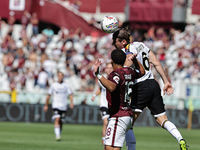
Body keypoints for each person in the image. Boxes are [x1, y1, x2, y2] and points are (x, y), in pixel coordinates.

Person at [112, 27, 189, 150]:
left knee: (127, 124)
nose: (114, 44)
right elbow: (156, 62)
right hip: (153, 84)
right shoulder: (142, 45)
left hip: (140, 87)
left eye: (115, 41)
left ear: (123, 42)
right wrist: (166, 81)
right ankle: (180, 139)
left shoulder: (127, 50)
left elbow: (128, 65)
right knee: (162, 120)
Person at [93, 49, 145, 150]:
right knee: (113, 147)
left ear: (112, 61)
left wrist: (98, 74)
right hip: (127, 115)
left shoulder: (115, 74)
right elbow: (142, 72)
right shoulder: (129, 71)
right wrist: (135, 61)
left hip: (119, 115)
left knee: (109, 147)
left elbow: (112, 87)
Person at [43, 71, 74, 141]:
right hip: (56, 105)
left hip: (63, 105)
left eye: (61, 76)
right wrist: (46, 105)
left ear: (63, 77)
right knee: (57, 119)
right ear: (57, 76)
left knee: (61, 121)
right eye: (59, 75)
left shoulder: (66, 85)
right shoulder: (53, 85)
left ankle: (59, 132)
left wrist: (71, 102)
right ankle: (57, 135)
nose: (60, 77)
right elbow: (48, 95)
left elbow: (71, 94)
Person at [91, 62, 113, 149]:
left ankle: (108, 139)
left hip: (112, 105)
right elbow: (100, 88)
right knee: (106, 122)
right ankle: (104, 140)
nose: (109, 70)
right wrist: (94, 95)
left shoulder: (115, 78)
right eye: (108, 68)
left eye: (111, 68)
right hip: (104, 104)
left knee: (110, 124)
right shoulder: (102, 78)